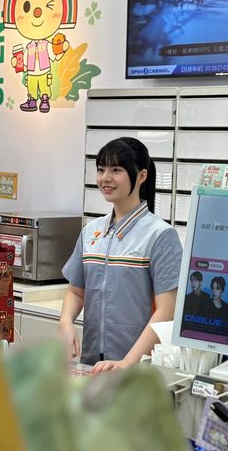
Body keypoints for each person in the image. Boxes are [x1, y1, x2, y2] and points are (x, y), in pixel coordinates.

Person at [60, 137, 182, 373]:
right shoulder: (91, 231)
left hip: (137, 371)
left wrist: (127, 363)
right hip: (92, 366)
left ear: (142, 176)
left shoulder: (161, 235)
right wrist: (66, 321)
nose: (105, 178)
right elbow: (76, 291)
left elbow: (167, 311)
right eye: (101, 169)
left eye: (116, 170)